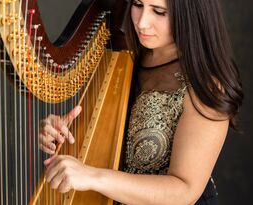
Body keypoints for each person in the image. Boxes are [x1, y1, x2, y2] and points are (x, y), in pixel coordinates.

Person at [39, 0, 243, 204]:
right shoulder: (120, 56)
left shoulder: (206, 85)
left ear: (190, 14)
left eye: (159, 11)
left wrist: (92, 177)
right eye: (137, 4)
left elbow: (184, 191)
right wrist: (59, 133)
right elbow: (104, 138)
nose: (142, 22)